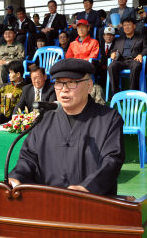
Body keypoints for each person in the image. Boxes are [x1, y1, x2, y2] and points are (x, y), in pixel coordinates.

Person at [8, 58, 125, 196]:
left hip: (92, 203)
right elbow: (28, 159)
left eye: (71, 83)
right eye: (59, 83)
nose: (64, 90)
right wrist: (16, 177)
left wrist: (87, 187)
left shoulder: (108, 119)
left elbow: (111, 161)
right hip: (49, 205)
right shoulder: (44, 120)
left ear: (89, 86)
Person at [108, 17, 147, 97]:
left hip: (134, 60)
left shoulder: (141, 38)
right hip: (121, 61)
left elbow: (146, 50)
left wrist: (141, 54)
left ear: (134, 26)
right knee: (111, 66)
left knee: (136, 65)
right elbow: (113, 50)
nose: (126, 27)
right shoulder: (118, 39)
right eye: (125, 25)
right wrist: (113, 53)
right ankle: (115, 93)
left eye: (129, 25)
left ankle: (132, 93)